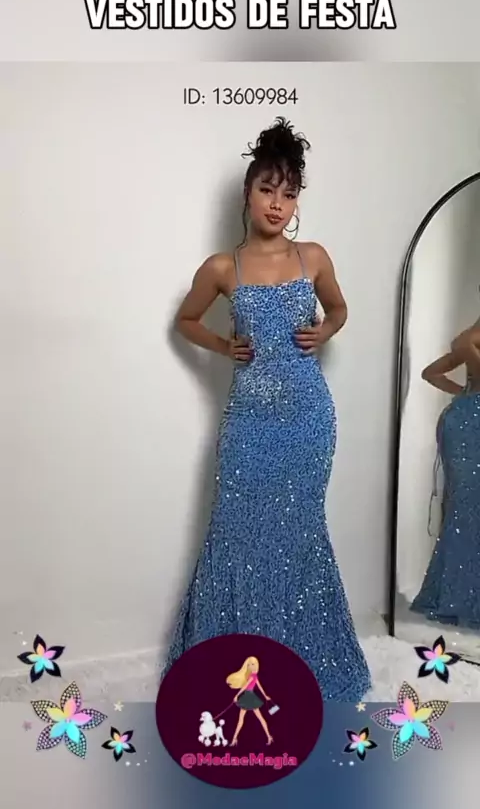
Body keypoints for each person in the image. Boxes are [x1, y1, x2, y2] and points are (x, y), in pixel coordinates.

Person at [162, 117, 371, 702]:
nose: (278, 204)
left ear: (297, 201)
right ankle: (231, 664)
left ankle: (300, 662)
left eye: (289, 192)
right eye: (267, 189)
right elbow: (185, 320)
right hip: (249, 422)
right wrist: (222, 345)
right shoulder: (221, 267)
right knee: (235, 534)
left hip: (308, 419)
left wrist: (325, 331)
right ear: (247, 193)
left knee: (299, 535)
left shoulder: (314, 257)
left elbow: (340, 309)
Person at [411, 320, 480, 627]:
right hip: (468, 424)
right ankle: (457, 596)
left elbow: (433, 372)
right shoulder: (472, 338)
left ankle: (455, 594)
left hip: (464, 417)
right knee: (464, 510)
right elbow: (432, 371)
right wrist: (466, 393)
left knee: (464, 509)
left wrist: (465, 392)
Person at [226, 656, 273, 746]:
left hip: (248, 697)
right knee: (258, 718)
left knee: (242, 720)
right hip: (250, 696)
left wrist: (237, 695)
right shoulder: (254, 675)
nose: (250, 666)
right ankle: (269, 736)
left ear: (255, 665)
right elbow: (259, 686)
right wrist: (265, 696)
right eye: (248, 664)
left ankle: (234, 739)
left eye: (252, 664)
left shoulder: (252, 676)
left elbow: (246, 686)